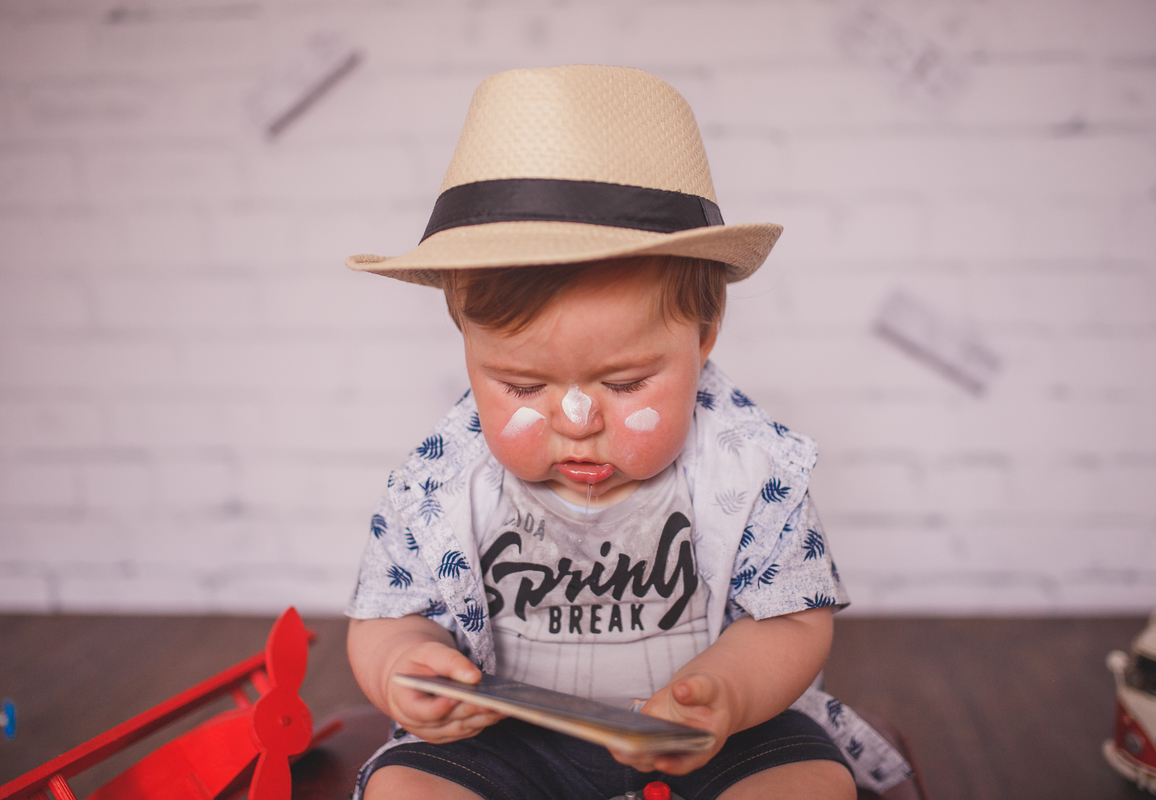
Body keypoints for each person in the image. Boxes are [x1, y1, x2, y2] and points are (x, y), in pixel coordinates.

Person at [343, 65, 912, 800]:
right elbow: (385, 619)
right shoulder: (438, 485)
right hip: (509, 737)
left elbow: (794, 624)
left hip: (710, 736)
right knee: (404, 789)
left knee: (811, 783)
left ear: (703, 336)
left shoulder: (752, 471)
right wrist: (404, 665)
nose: (577, 421)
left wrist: (727, 693)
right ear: (465, 343)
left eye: (624, 383)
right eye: (522, 386)